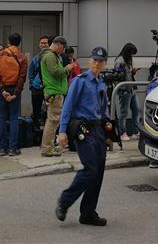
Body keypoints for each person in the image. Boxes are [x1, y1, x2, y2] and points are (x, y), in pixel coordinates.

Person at [55, 47, 110, 227]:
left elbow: (104, 110)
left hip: (98, 130)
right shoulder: (80, 81)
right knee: (91, 169)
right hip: (83, 129)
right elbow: (68, 106)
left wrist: (108, 134)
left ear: (104, 63)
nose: (96, 64)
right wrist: (62, 131)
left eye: (100, 61)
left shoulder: (102, 82)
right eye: (94, 60)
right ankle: (64, 201)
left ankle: (88, 213)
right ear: (89, 62)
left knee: (98, 171)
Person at [0, 32, 28, 156]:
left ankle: (3, 148)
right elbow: (22, 77)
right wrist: (16, 93)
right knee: (13, 119)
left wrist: (2, 90)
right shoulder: (22, 57)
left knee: (1, 118)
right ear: (19, 42)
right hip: (14, 89)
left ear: (8, 41)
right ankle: (13, 148)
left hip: (2, 90)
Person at [40, 36, 71, 156]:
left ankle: (49, 146)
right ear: (58, 44)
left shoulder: (50, 56)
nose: (62, 51)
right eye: (62, 48)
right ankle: (47, 148)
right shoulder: (50, 56)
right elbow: (56, 72)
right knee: (52, 121)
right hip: (54, 92)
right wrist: (68, 69)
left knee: (53, 121)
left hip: (55, 91)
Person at [114, 43, 140, 141]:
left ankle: (135, 131)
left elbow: (127, 74)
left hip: (131, 88)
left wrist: (132, 72)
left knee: (136, 109)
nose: (132, 56)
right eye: (132, 53)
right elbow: (118, 75)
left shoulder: (128, 60)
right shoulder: (120, 60)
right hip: (124, 89)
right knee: (124, 112)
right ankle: (122, 132)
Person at [28, 36, 50, 132]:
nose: (43, 44)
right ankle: (35, 130)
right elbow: (31, 73)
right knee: (36, 110)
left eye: (45, 43)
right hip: (36, 87)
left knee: (50, 110)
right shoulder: (36, 58)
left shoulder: (52, 57)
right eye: (41, 43)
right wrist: (32, 85)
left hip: (49, 87)